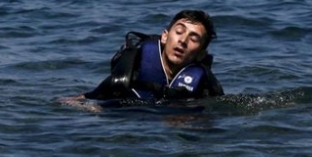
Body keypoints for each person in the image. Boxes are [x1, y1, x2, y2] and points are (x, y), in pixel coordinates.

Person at [60, 10, 224, 108]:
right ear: (165, 37)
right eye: (179, 31)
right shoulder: (136, 66)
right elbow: (93, 97)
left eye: (193, 39)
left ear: (202, 53)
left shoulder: (205, 84)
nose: (183, 40)